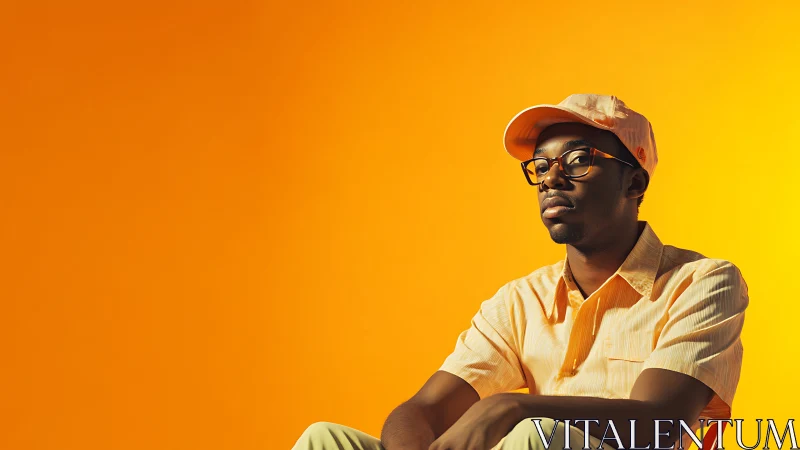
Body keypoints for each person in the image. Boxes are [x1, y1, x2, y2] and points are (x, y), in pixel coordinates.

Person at [292, 93, 749, 450]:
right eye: (541, 166)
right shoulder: (519, 301)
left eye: (578, 160)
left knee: (534, 437)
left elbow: (660, 422)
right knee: (324, 439)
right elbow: (422, 410)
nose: (550, 179)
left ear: (634, 182)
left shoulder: (702, 283)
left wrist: (514, 408)